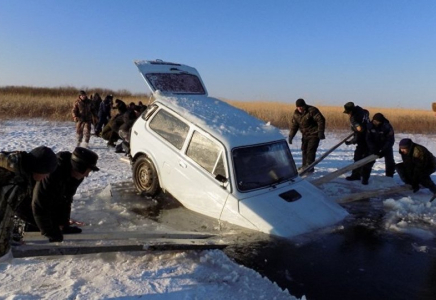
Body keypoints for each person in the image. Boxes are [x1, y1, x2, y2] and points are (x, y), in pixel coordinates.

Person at [31, 147, 99, 242]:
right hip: (26, 202)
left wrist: (63, 224)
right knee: (37, 224)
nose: (87, 175)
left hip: (42, 203)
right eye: (87, 171)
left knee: (54, 218)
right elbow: (39, 205)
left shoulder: (77, 176)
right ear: (79, 167)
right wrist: (49, 232)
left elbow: (66, 199)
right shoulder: (52, 173)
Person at [0, 146, 57, 255]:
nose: (46, 177)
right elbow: (5, 214)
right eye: (46, 172)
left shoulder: (19, 163)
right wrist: (3, 247)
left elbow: (20, 208)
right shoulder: (15, 180)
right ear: (39, 168)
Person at [288, 98, 325, 172]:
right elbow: (294, 126)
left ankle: (309, 168)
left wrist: (320, 131)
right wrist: (291, 136)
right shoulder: (296, 114)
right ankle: (304, 166)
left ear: (304, 106)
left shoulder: (312, 110)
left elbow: (321, 120)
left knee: (310, 150)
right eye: (298, 107)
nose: (300, 108)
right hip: (305, 135)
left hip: (314, 134)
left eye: (301, 107)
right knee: (304, 150)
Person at [343, 102, 371, 184]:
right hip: (369, 138)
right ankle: (363, 174)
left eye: (348, 112)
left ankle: (356, 175)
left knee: (358, 157)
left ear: (351, 111)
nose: (348, 114)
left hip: (363, 140)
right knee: (365, 157)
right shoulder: (363, 111)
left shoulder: (354, 117)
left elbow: (359, 130)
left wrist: (352, 141)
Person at [366, 113, 395, 178]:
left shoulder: (387, 127)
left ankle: (389, 177)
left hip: (385, 146)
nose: (375, 123)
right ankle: (365, 177)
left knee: (389, 161)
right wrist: (373, 149)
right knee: (368, 161)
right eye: (374, 121)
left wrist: (383, 151)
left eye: (377, 122)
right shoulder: (369, 126)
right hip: (374, 145)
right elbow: (368, 139)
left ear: (381, 122)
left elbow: (390, 140)